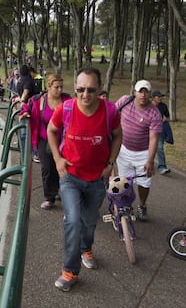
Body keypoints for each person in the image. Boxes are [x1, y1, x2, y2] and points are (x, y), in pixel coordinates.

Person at [47, 67, 122, 292]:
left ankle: (86, 248)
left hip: (97, 178)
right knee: (72, 220)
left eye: (91, 90)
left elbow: (118, 135)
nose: (85, 95)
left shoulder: (110, 111)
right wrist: (58, 159)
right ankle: (70, 271)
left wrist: (110, 164)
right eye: (80, 89)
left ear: (99, 89)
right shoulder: (66, 109)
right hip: (70, 176)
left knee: (89, 222)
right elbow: (51, 130)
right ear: (75, 89)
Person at [20, 74, 70, 210]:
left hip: (64, 140)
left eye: (61, 87)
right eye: (56, 87)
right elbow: (26, 107)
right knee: (47, 168)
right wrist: (24, 114)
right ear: (48, 87)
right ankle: (50, 197)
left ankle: (62, 190)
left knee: (63, 167)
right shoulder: (39, 100)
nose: (59, 90)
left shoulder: (67, 100)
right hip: (44, 140)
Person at [115, 80, 163, 221]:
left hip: (143, 152)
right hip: (124, 149)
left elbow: (154, 138)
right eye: (140, 91)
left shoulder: (154, 113)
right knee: (125, 181)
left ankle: (142, 205)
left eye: (145, 91)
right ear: (134, 92)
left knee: (144, 183)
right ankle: (127, 205)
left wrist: (150, 160)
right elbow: (112, 113)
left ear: (149, 93)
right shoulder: (125, 101)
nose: (142, 95)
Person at [151, 90, 171, 174]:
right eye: (158, 97)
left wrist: (164, 120)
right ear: (153, 98)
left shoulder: (163, 106)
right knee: (146, 148)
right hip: (147, 130)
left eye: (161, 96)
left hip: (159, 130)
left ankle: (162, 167)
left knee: (159, 148)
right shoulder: (148, 105)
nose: (160, 98)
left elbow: (168, 116)